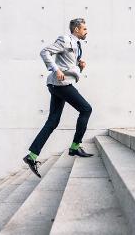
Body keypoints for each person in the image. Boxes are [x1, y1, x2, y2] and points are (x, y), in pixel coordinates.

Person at [23, 18, 94, 178]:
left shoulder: (77, 44)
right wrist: (55, 70)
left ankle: (32, 156)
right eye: (84, 29)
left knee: (53, 121)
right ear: (76, 29)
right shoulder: (64, 39)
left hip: (59, 85)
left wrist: (79, 66)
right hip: (60, 84)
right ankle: (75, 147)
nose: (86, 31)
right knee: (86, 109)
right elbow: (45, 52)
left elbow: (67, 65)